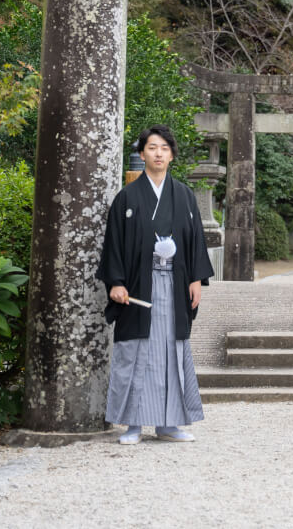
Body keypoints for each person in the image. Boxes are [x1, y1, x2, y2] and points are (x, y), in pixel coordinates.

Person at [96, 125, 214, 444]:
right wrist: (116, 282)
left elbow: (195, 240)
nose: (158, 153)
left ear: (172, 154)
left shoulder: (184, 196)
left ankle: (169, 424)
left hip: (175, 284)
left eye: (164, 148)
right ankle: (133, 425)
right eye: (152, 148)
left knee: (171, 352)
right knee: (137, 353)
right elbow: (114, 243)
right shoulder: (127, 197)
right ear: (142, 153)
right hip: (138, 286)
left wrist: (195, 279)